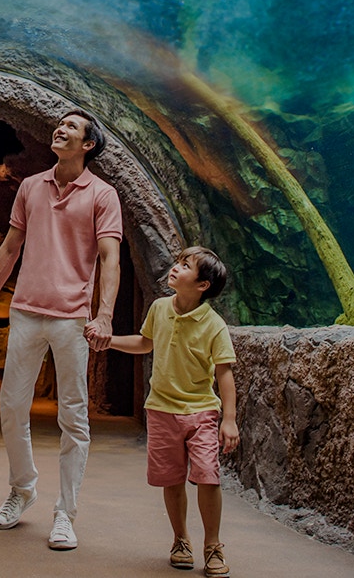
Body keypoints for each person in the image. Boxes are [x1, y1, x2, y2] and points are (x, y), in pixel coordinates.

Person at [0, 109, 123, 551]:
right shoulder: (30, 186)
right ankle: (22, 489)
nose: (60, 128)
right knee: (11, 408)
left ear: (88, 144)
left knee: (73, 418)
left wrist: (105, 315)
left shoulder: (103, 194)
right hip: (25, 312)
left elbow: (110, 258)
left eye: (71, 127)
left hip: (73, 317)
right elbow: (9, 248)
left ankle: (65, 514)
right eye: (60, 124)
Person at [109, 246, 239, 578]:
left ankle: (213, 545)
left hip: (201, 411)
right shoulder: (159, 308)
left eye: (186, 265)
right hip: (161, 409)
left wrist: (229, 419)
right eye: (178, 262)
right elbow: (144, 343)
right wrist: (109, 340)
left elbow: (224, 372)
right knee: (172, 478)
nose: (175, 268)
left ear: (203, 285)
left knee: (208, 476)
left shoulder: (214, 325)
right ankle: (181, 539)